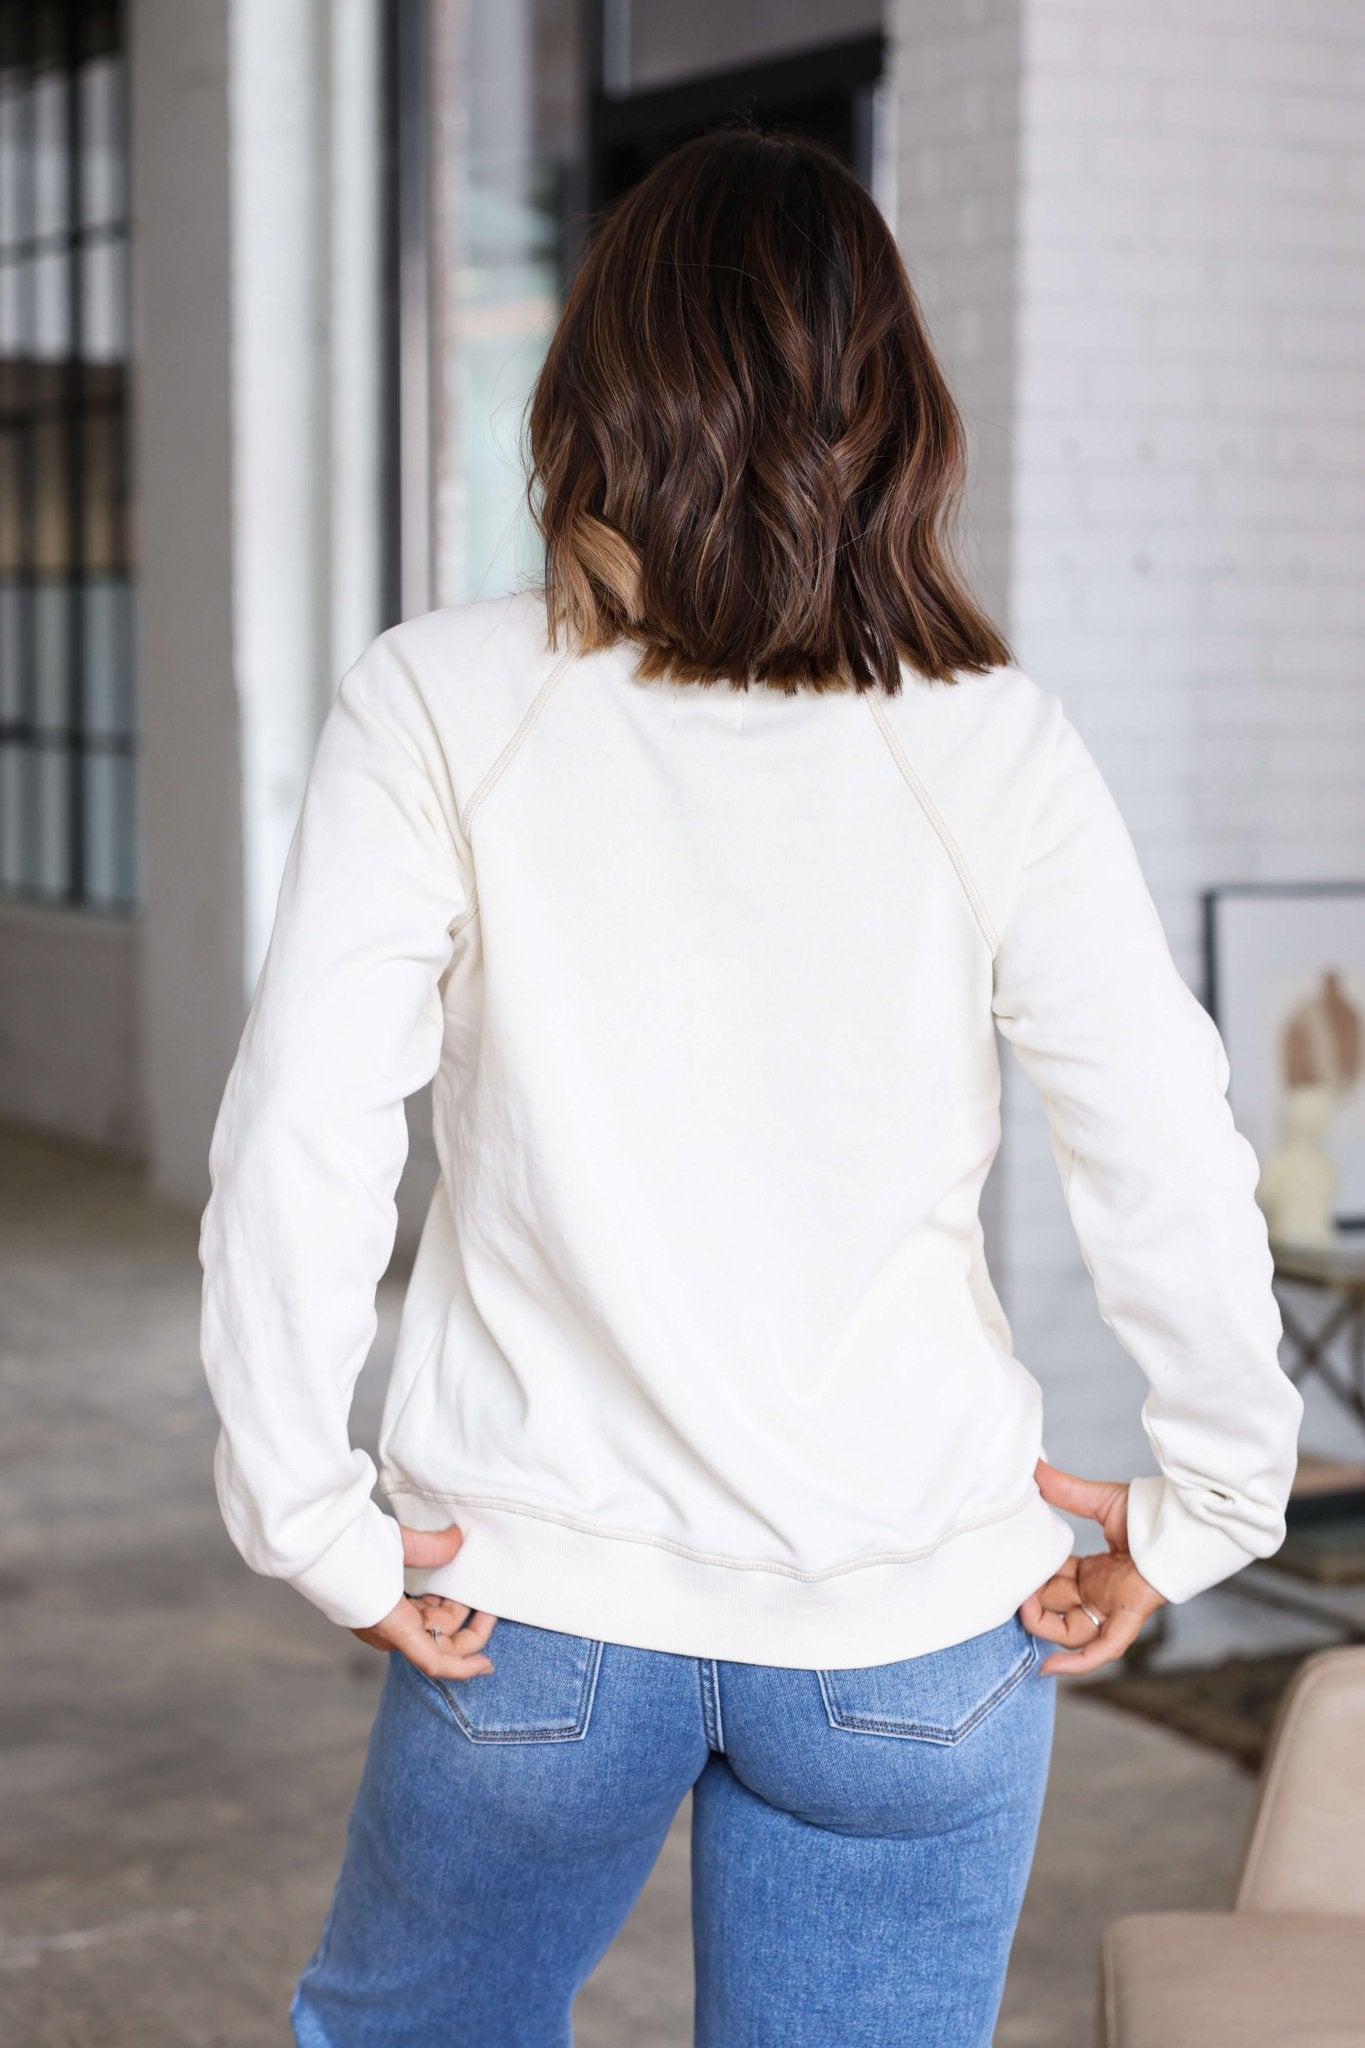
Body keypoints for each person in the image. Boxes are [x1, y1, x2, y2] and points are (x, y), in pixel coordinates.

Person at [198, 127, 1302, 2048]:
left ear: (593, 390)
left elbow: (303, 1131)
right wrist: (1206, 1499)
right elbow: (1157, 1137)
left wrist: (313, 1519)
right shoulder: (994, 742)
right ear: (893, 411)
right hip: (910, 1634)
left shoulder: (441, 697)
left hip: (532, 1620)